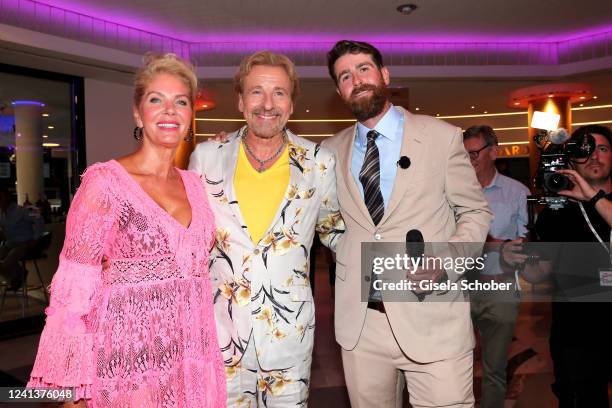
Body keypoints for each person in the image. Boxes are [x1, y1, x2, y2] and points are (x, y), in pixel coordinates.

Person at [27, 53, 225, 407]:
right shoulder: (106, 183)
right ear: (138, 113)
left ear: (191, 115)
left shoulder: (196, 185)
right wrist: (69, 389)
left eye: (180, 101)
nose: (169, 111)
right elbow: (72, 295)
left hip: (190, 354)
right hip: (127, 358)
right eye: (156, 100)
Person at [322, 40, 492, 408]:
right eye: (345, 76)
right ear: (339, 90)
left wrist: (445, 260)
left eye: (364, 69)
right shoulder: (328, 151)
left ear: (384, 75)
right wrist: (350, 250)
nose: (357, 79)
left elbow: (476, 212)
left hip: (434, 318)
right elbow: (326, 222)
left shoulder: (442, 137)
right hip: (362, 325)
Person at [189, 51, 343, 407]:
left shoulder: (319, 163)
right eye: (256, 92)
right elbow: (188, 238)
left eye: (279, 93)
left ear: (291, 105)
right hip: (219, 333)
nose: (267, 104)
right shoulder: (206, 157)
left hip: (288, 334)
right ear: (241, 102)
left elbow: (336, 232)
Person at [520, 125, 612, 408]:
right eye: (584, 151)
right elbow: (536, 274)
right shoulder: (554, 214)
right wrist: (523, 260)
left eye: (603, 149)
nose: (594, 156)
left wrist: (595, 199)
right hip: (577, 333)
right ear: (571, 160)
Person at [463, 125, 529, 408]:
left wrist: (516, 248)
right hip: (457, 289)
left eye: (474, 153)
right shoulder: (452, 193)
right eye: (463, 154)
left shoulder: (517, 192)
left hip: (499, 287)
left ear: (493, 151)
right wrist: (491, 244)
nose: (468, 159)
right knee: (454, 365)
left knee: (495, 369)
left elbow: (526, 242)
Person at [0, 188, 41, 290]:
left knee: (7, 263)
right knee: (6, 261)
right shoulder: (1, 214)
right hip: (9, 244)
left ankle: (17, 277)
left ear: (8, 198)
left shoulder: (21, 210)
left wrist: (35, 239)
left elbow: (40, 218)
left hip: (24, 244)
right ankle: (18, 275)